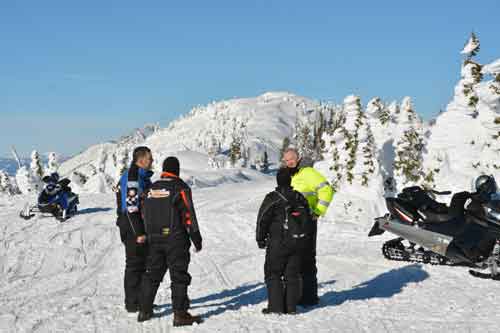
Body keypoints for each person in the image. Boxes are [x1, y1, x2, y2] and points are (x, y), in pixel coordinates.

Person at [137, 156, 203, 326]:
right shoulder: (180, 188)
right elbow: (189, 215)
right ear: (177, 170)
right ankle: (180, 314)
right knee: (179, 276)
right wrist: (196, 238)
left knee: (152, 275)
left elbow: (143, 213)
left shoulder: (151, 189)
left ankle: (144, 310)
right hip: (175, 239)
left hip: (154, 239)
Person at [256, 168, 313, 314]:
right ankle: (291, 307)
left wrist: (260, 239)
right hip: (297, 242)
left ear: (277, 181)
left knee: (273, 273)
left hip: (278, 242)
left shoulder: (273, 198)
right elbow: (308, 219)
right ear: (290, 180)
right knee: (292, 275)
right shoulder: (299, 197)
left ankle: (275, 308)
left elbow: (262, 219)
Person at [282, 147, 334, 306]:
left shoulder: (308, 173)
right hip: (291, 223)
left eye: (292, 159)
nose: (289, 162)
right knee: (292, 259)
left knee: (308, 259)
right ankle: (296, 295)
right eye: (286, 160)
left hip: (308, 222)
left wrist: (318, 211)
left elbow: (327, 189)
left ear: (298, 158)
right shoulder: (289, 175)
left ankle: (310, 297)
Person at [115, 146, 154, 313]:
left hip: (137, 223)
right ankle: (132, 303)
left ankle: (140, 300)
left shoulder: (141, 176)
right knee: (134, 264)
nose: (152, 161)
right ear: (141, 160)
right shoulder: (133, 177)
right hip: (132, 225)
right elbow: (131, 208)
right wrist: (139, 233)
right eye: (149, 158)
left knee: (143, 263)